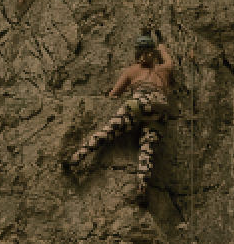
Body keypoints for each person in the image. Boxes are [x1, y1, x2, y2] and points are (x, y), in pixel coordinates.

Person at [63, 35, 177, 202]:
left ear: (137, 55)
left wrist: (108, 95)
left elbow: (114, 94)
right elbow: (169, 61)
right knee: (147, 149)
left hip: (140, 101)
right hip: (160, 107)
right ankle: (142, 189)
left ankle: (76, 157)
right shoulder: (164, 69)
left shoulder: (132, 70)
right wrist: (162, 49)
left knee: (109, 130)